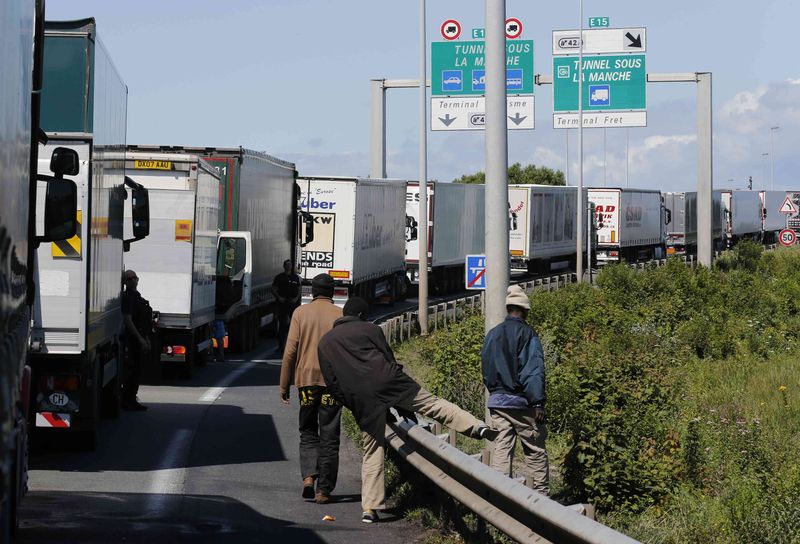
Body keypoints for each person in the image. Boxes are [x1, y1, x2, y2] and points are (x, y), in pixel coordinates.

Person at [317, 297, 499, 524]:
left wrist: (354, 402)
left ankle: (370, 509)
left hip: (362, 399)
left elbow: (333, 384)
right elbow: (388, 358)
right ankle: (476, 427)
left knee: (373, 449)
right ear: (362, 315)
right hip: (392, 383)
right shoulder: (370, 329)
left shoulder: (325, 342)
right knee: (433, 405)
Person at [279, 273, 343, 505]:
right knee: (329, 435)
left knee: (307, 431)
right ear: (332, 292)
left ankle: (308, 477)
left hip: (306, 382)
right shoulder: (340, 315)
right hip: (332, 384)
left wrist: (284, 384)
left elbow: (290, 351)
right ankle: (323, 490)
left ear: (312, 292)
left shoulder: (300, 313)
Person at [481, 285, 549, 495]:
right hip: (521, 403)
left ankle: (500, 498)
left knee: (501, 449)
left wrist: (496, 392)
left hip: (497, 402)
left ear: (508, 308)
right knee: (535, 449)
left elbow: (486, 367)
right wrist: (537, 402)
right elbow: (533, 370)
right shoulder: (527, 334)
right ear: (525, 311)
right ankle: (542, 499)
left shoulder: (493, 334)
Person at [121, 269, 151, 411]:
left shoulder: (136, 296)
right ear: (125, 282)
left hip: (139, 338)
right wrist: (139, 339)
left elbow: (142, 320)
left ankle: (131, 399)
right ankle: (128, 400)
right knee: (131, 371)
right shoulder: (127, 297)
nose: (133, 280)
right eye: (130, 278)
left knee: (137, 370)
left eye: (135, 277)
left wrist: (145, 338)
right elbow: (128, 320)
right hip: (131, 340)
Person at [272, 259, 301, 353]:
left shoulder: (295, 277)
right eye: (287, 265)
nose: (288, 266)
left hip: (293, 303)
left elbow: (299, 288)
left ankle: (294, 345)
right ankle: (281, 346)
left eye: (290, 264)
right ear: (284, 266)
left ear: (292, 266)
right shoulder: (279, 277)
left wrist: (296, 298)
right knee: (282, 325)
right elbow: (273, 289)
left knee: (294, 325)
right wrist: (279, 297)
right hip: (282, 304)